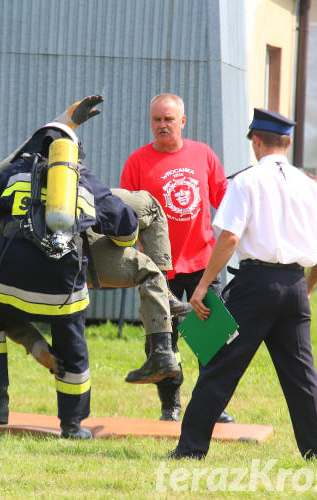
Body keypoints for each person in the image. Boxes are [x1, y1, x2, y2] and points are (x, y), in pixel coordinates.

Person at [0, 96, 187, 384]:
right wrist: (68, 120)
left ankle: (163, 310)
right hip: (81, 252)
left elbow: (1, 317)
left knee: (136, 237)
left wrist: (39, 348)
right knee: (147, 231)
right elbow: (29, 152)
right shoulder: (0, 187)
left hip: (70, 271)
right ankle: (164, 314)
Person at [170, 108, 317, 460]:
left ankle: (190, 451)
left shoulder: (246, 182)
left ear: (257, 142)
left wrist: (202, 287)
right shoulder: (309, 185)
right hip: (295, 284)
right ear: (288, 142)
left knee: (219, 362)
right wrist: (304, 289)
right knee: (301, 374)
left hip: (256, 285)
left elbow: (230, 237)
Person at [0, 120, 139, 439]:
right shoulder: (85, 181)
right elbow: (126, 229)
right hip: (62, 293)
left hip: (7, 286)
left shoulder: (12, 175)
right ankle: (72, 424)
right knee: (73, 346)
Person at [120, 93, 234, 422]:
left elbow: (227, 204)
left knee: (209, 338)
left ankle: (214, 406)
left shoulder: (204, 155)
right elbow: (125, 214)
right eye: (156, 119)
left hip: (202, 263)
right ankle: (170, 406)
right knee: (163, 340)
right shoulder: (138, 161)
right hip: (158, 268)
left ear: (182, 121)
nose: (162, 125)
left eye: (168, 119)